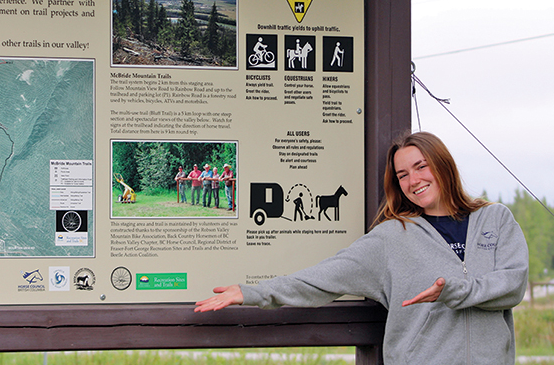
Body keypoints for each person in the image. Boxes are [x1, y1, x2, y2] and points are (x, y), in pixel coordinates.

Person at [195, 131, 528, 365]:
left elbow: (512, 286)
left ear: (443, 164)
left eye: (421, 167)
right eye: (402, 175)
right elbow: (321, 279)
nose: (413, 180)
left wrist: (452, 290)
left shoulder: (495, 219)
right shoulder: (392, 237)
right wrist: (251, 292)